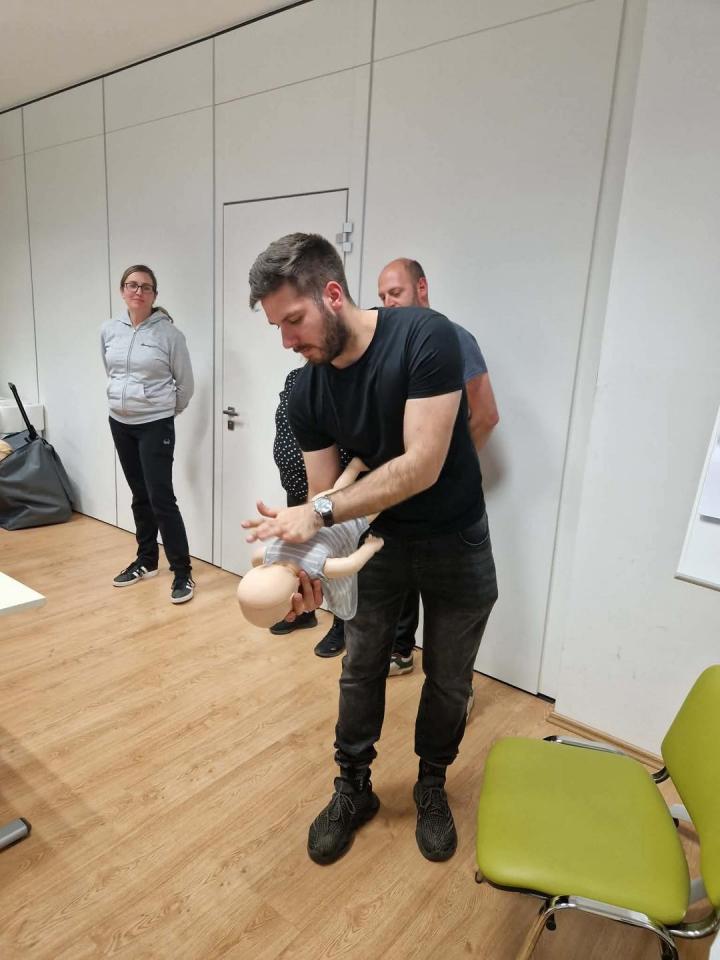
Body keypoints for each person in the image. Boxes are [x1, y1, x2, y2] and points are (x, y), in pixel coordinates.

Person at [244, 233, 498, 866]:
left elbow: (421, 465)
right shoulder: (307, 391)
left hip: (455, 536)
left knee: (449, 678)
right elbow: (327, 494)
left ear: (332, 294)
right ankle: (353, 787)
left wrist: (318, 513)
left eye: (293, 320)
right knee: (360, 669)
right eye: (277, 328)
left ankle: (431, 784)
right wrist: (304, 566)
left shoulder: (426, 337)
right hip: (379, 543)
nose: (287, 341)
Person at [377, 258, 499, 679]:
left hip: (449, 510)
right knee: (400, 582)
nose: (388, 304)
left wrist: (444, 468)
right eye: (382, 297)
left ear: (422, 288)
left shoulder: (453, 338)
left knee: (452, 610)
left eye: (396, 293)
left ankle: (457, 689)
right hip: (399, 498)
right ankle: (401, 649)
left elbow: (486, 415)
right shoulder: (386, 345)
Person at [101, 264, 195, 604]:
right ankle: (146, 560)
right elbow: (111, 371)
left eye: (145, 287)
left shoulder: (170, 335)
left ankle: (182, 571)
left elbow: (185, 385)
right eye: (132, 285)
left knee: (161, 497)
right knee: (139, 494)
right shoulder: (109, 330)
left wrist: (163, 411)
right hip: (119, 422)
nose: (138, 291)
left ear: (154, 295)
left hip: (155, 424)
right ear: (122, 290)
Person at [238, 457, 383, 627]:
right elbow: (255, 559)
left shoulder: (313, 566)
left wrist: (370, 546)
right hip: (319, 507)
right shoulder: (268, 554)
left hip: (347, 522)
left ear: (294, 600)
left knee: (377, 502)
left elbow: (351, 564)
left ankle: (384, 477)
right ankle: (354, 467)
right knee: (337, 490)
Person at [269, 366, 351, 656]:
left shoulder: (342, 382)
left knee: (336, 559)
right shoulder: (295, 377)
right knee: (300, 556)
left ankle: (342, 624)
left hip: (329, 495)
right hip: (297, 488)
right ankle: (304, 612)